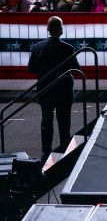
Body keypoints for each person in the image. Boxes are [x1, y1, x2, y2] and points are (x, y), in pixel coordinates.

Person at [28, 16, 80, 162]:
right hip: (63, 90)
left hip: (45, 89)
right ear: (61, 30)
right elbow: (76, 69)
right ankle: (64, 150)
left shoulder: (37, 47)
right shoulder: (68, 48)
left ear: (48, 30)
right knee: (64, 121)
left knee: (46, 121)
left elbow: (31, 69)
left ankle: (46, 153)